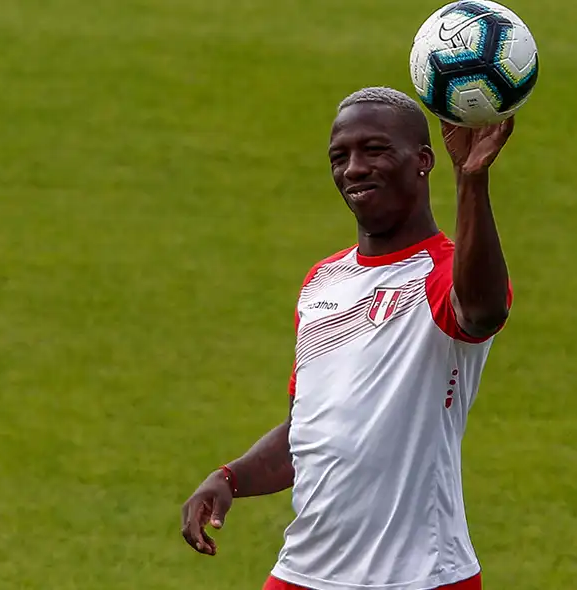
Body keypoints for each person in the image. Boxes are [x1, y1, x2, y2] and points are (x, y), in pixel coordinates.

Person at [181, 86, 515, 590]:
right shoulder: (323, 281)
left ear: (423, 160)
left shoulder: (445, 274)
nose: (354, 168)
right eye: (340, 157)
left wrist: (471, 179)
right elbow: (305, 432)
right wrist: (230, 478)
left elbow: (482, 311)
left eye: (375, 150)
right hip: (305, 573)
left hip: (420, 576)